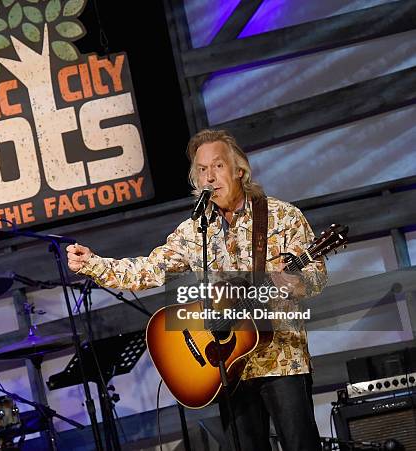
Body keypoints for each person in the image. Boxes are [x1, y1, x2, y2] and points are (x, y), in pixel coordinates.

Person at [67, 129, 327, 451]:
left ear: (239, 170)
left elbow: (315, 277)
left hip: (282, 358)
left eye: (217, 166)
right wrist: (94, 263)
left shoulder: (282, 217)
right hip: (228, 365)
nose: (210, 177)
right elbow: (148, 270)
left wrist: (295, 282)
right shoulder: (194, 231)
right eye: (202, 170)